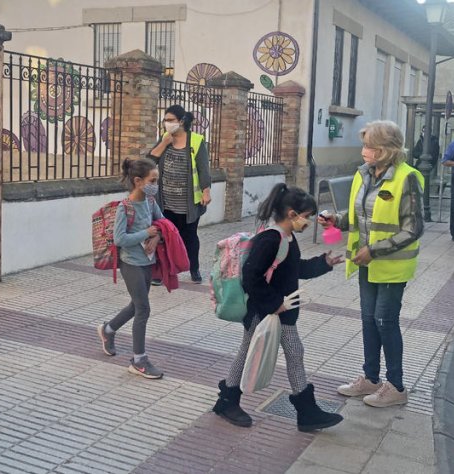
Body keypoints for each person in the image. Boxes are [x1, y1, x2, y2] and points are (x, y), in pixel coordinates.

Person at [212, 183, 344, 432]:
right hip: (265, 312)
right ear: (292, 214)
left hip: (278, 311)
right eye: (306, 217)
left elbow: (296, 269)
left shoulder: (287, 237)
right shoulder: (270, 239)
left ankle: (304, 411)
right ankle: (230, 400)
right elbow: (251, 276)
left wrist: (324, 263)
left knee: (292, 352)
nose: (309, 222)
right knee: (262, 352)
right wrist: (275, 304)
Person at [319, 120, 424, 408]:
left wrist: (374, 250)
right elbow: (359, 216)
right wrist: (335, 220)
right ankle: (370, 378)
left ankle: (397, 386)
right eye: (364, 145)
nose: (364, 150)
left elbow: (413, 228)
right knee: (368, 320)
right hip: (367, 263)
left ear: (385, 151)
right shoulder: (363, 174)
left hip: (391, 265)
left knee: (384, 321)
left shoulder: (407, 178)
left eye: (369, 146)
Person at [97, 158, 166, 379]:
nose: (156, 184)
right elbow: (120, 239)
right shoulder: (124, 208)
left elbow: (163, 223)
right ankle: (139, 360)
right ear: (138, 181)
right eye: (152, 180)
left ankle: (108, 329)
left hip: (148, 262)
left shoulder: (150, 202)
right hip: (131, 264)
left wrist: (159, 236)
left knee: (136, 306)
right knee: (143, 309)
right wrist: (147, 234)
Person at [148, 104, 211, 284]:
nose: (166, 123)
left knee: (190, 236)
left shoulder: (196, 140)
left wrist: (206, 190)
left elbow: (203, 169)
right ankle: (163, 273)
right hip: (165, 200)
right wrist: (164, 143)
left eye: (170, 120)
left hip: (189, 201)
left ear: (181, 121)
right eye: (165, 120)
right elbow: (149, 161)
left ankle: (194, 269)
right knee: (164, 235)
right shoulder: (164, 139)